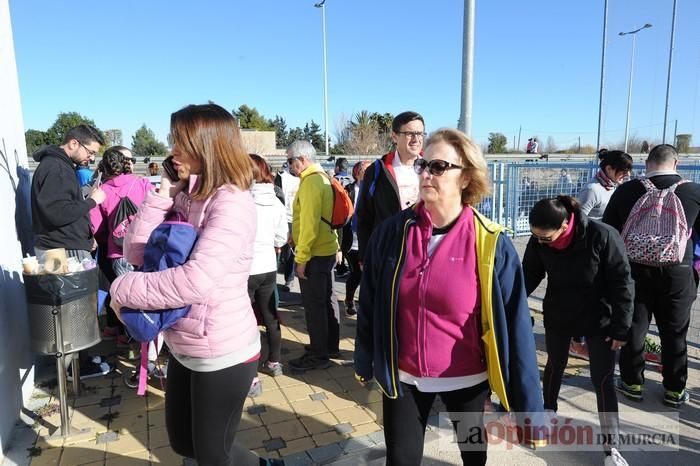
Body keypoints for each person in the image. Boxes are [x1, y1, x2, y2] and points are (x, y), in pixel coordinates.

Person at [355, 128, 545, 465]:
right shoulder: (392, 233)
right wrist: (365, 357)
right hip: (405, 378)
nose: (426, 173)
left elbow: (516, 328)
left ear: (466, 177)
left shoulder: (490, 243)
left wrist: (530, 410)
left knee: (474, 457)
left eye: (439, 166)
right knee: (400, 461)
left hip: (469, 380)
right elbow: (370, 300)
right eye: (424, 165)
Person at [109, 103, 280, 466]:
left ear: (208, 147)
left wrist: (122, 290)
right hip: (183, 343)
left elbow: (195, 281)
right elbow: (135, 251)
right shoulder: (186, 196)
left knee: (211, 454)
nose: (173, 150)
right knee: (184, 444)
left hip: (223, 350)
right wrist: (164, 194)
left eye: (181, 142)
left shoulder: (232, 203)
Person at [522, 196, 633, 464]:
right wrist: (507, 305)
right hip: (560, 312)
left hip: (599, 318)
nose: (540, 242)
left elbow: (622, 283)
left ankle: (611, 448)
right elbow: (528, 275)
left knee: (603, 379)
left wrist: (621, 328)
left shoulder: (602, 235)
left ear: (565, 225)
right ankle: (548, 411)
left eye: (546, 238)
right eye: (536, 237)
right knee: (554, 364)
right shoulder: (540, 241)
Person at [603, 144, 700, 407]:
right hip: (678, 272)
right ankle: (674, 390)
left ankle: (632, 383)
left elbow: (609, 232)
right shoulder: (693, 191)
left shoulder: (627, 189)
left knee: (635, 328)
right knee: (675, 332)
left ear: (647, 164)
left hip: (634, 270)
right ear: (676, 164)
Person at [31, 124, 112, 380]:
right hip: (62, 253)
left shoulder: (61, 167)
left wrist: (85, 238)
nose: (92, 158)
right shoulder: (55, 169)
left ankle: (78, 363)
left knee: (74, 311)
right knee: (72, 313)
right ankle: (71, 370)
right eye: (91, 151)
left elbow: (64, 210)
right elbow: (56, 213)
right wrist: (92, 201)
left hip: (67, 247)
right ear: (74, 143)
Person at [286, 140, 341, 371]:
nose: (288, 165)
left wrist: (301, 258)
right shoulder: (324, 177)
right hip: (326, 248)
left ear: (302, 159)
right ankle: (328, 345)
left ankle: (319, 355)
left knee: (314, 305)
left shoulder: (310, 182)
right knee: (328, 299)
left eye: (290, 160)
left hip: (314, 253)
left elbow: (309, 224)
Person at [90, 147, 153, 345]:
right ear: (127, 164)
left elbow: (96, 227)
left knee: (126, 298)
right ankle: (148, 341)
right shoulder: (142, 183)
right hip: (146, 248)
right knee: (148, 296)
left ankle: (128, 336)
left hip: (118, 252)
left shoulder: (102, 191)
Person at [356, 111, 425, 262]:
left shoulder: (433, 168)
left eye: (420, 133)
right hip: (387, 256)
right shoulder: (377, 171)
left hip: (424, 254)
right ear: (394, 136)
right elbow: (364, 216)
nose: (416, 139)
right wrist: (365, 256)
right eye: (409, 133)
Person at [247, 154, 288, 396]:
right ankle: (274, 362)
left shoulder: (240, 200)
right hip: (268, 266)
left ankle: (251, 375)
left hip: (245, 268)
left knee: (246, 321)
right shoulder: (276, 201)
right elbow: (281, 238)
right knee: (271, 315)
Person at [340, 161, 370, 316]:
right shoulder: (349, 190)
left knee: (368, 274)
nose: (366, 173)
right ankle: (349, 299)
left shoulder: (374, 190)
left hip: (370, 239)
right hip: (352, 239)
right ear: (357, 172)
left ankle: (365, 303)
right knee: (357, 273)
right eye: (364, 170)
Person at [577, 149, 633, 220]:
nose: (627, 175)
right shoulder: (592, 190)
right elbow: (577, 220)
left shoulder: (614, 186)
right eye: (623, 171)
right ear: (609, 169)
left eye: (628, 171)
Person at [274, 162, 300, 292]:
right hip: (284, 217)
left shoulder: (304, 177)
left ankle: (291, 278)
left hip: (297, 218)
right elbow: (277, 194)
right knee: (282, 248)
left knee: (293, 250)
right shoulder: (282, 176)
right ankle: (282, 278)